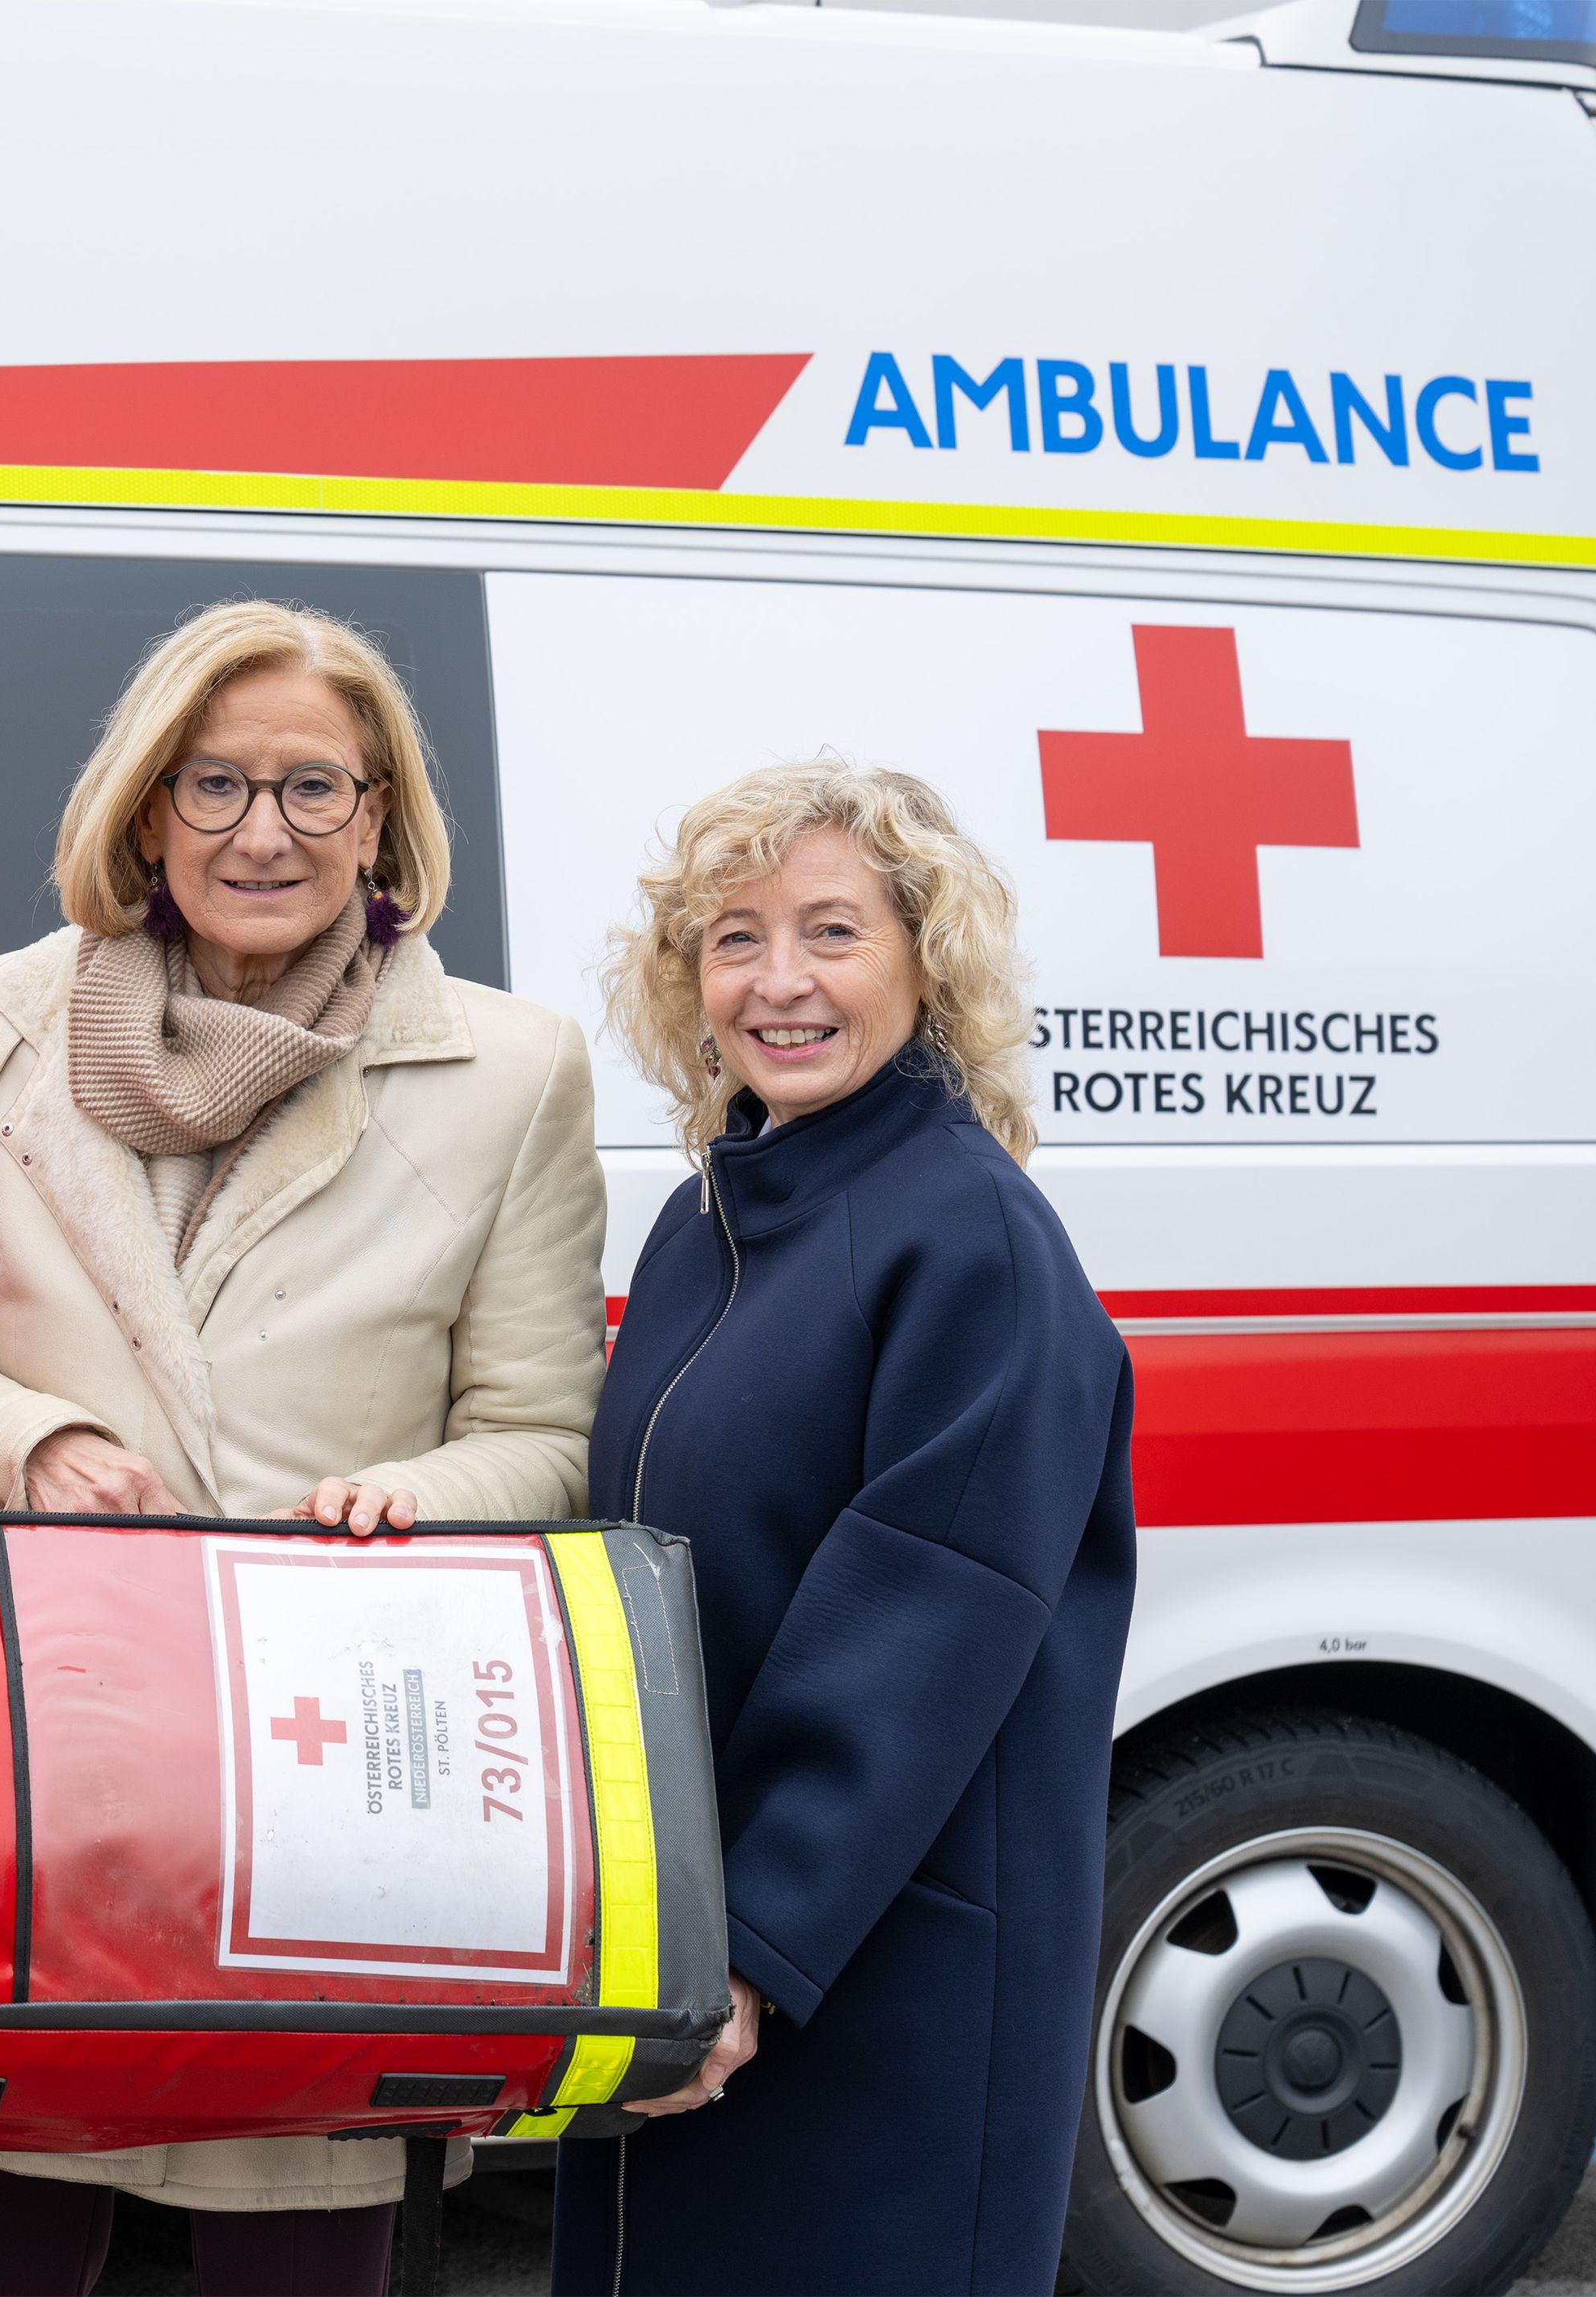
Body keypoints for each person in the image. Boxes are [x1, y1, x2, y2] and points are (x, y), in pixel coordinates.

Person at [0, 599, 610, 2297]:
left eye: (310, 788)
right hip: (53, 1762)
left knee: (301, 2245)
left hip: (328, 1772)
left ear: (378, 815)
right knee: (0, 2228)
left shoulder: (508, 1067)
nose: (258, 832)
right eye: (210, 783)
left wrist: (411, 1497)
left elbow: (536, 1433)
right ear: (140, 806)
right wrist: (30, 1435)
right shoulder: (6, 1013)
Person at [552, 761, 1136, 2295]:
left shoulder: (973, 1236)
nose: (779, 982)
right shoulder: (716, 1213)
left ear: (927, 961)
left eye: (832, 931)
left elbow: (923, 1615)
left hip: (871, 1967)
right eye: (735, 938)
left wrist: (740, 1947)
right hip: (695, 1941)